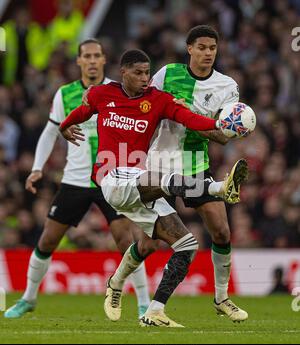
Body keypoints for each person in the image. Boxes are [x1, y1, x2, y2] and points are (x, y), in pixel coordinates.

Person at [59, 49, 248, 327]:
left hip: (138, 180)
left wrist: (220, 124)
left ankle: (152, 309)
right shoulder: (102, 93)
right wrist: (66, 126)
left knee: (186, 245)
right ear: (123, 72)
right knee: (162, 178)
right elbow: (82, 110)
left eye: (147, 73)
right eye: (138, 73)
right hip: (111, 177)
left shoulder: (157, 100)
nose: (145, 78)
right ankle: (220, 188)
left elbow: (189, 119)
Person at [4, 40, 150, 319]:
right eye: (87, 56)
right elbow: (50, 132)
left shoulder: (119, 91)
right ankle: (28, 298)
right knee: (47, 240)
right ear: (80, 61)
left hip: (112, 177)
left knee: (125, 241)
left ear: (104, 59)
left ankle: (144, 303)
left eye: (97, 55)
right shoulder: (65, 93)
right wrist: (37, 168)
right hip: (76, 179)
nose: (93, 60)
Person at [147, 25, 249, 322]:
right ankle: (116, 284)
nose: (207, 53)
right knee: (148, 243)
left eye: (212, 48)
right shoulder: (167, 74)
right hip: (159, 163)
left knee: (221, 231)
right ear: (189, 48)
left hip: (194, 165)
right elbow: (148, 111)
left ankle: (221, 298)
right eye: (202, 47)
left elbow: (222, 137)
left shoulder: (227, 86)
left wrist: (187, 113)